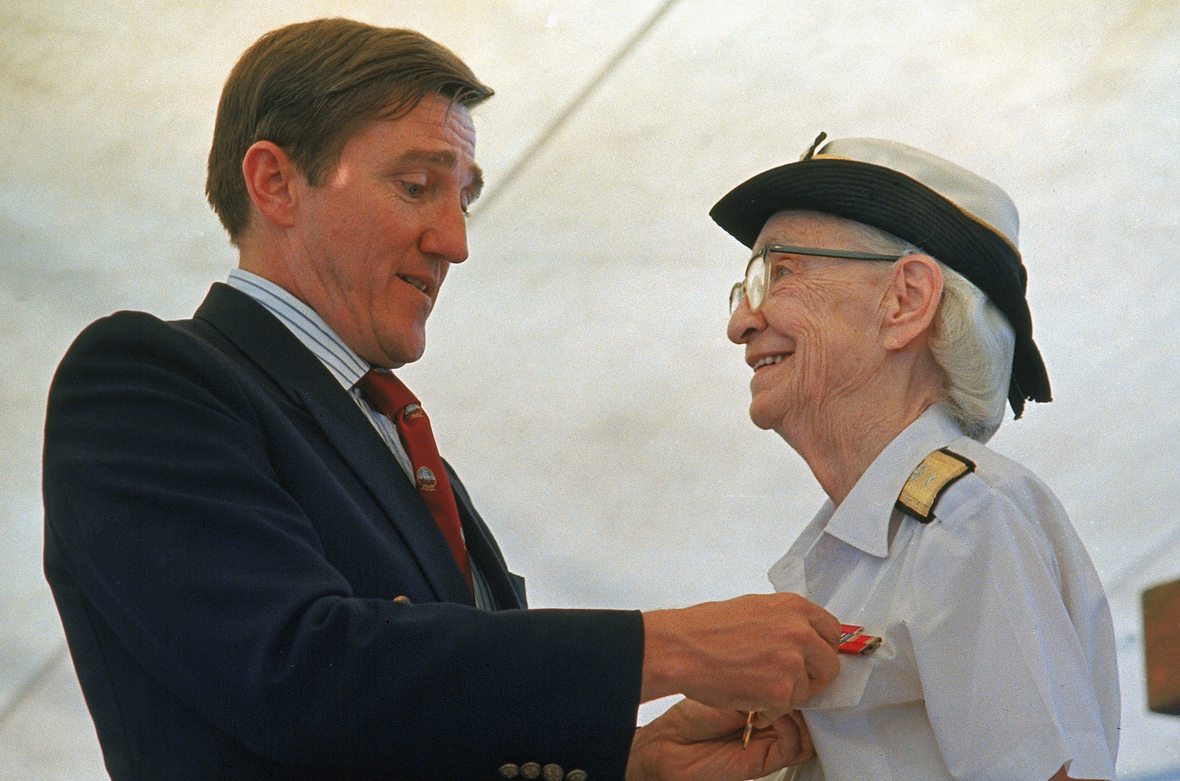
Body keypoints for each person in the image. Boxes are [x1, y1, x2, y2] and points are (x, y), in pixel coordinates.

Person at [42, 18, 843, 781]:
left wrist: (627, 762)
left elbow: (414, 715)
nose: (455, 242)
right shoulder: (144, 379)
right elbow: (298, 668)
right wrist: (664, 647)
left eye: (465, 197)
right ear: (275, 182)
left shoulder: (389, 432)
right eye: (418, 185)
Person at [713, 134, 1119, 780]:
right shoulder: (861, 548)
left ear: (904, 302)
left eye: (780, 273)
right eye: (745, 288)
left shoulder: (966, 521)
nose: (741, 321)